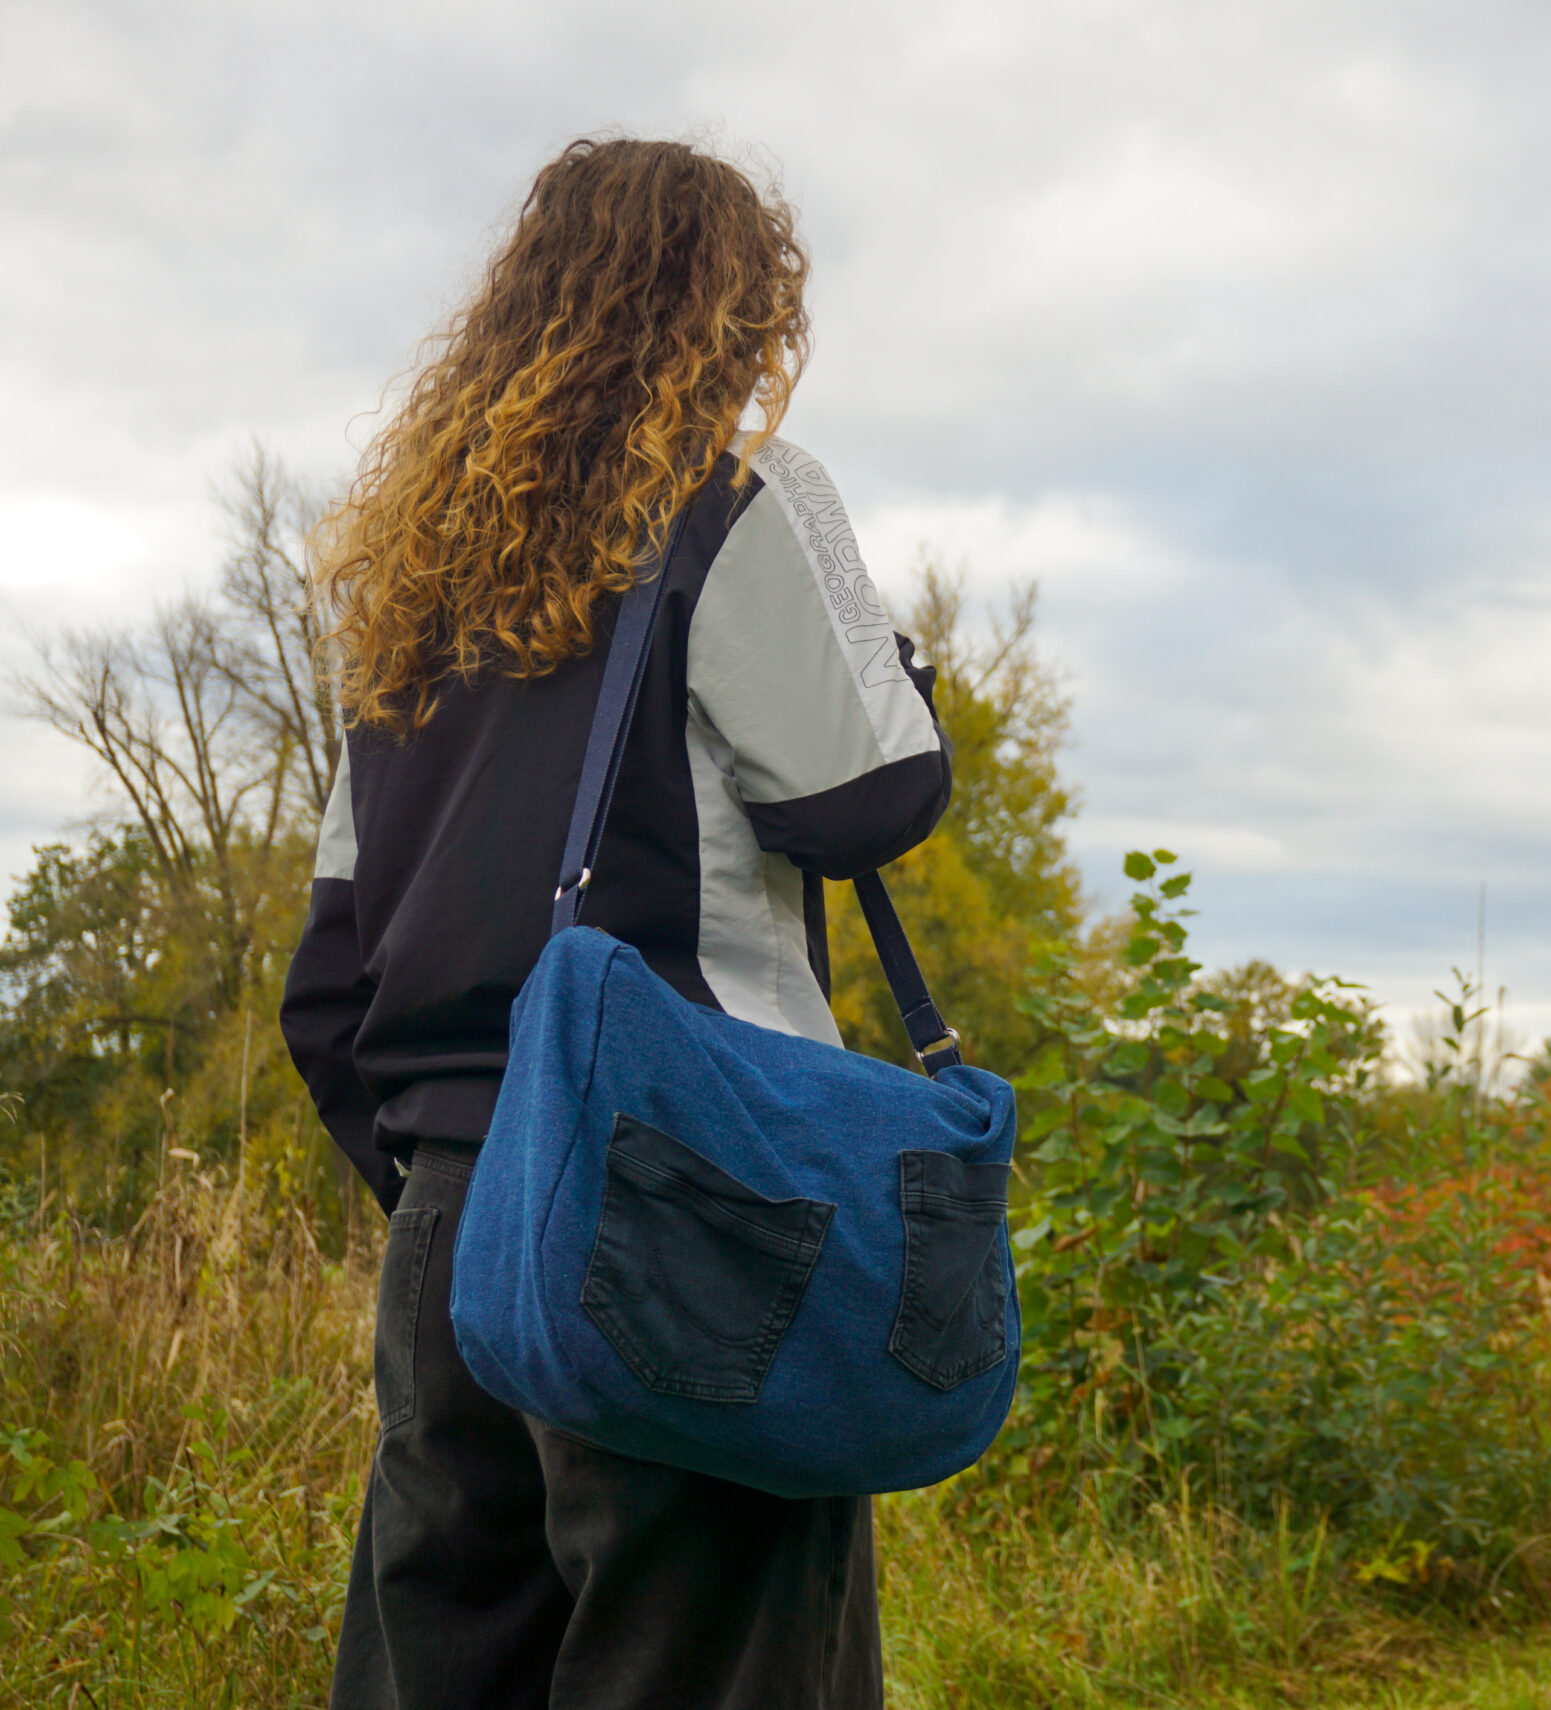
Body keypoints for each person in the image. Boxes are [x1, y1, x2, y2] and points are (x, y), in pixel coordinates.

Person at [280, 136, 951, 1710]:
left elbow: (326, 984)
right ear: (731, 313)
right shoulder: (735, 501)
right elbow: (872, 793)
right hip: (682, 1195)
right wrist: (891, 651)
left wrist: (461, 1172)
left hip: (456, 1223)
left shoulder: (409, 596)